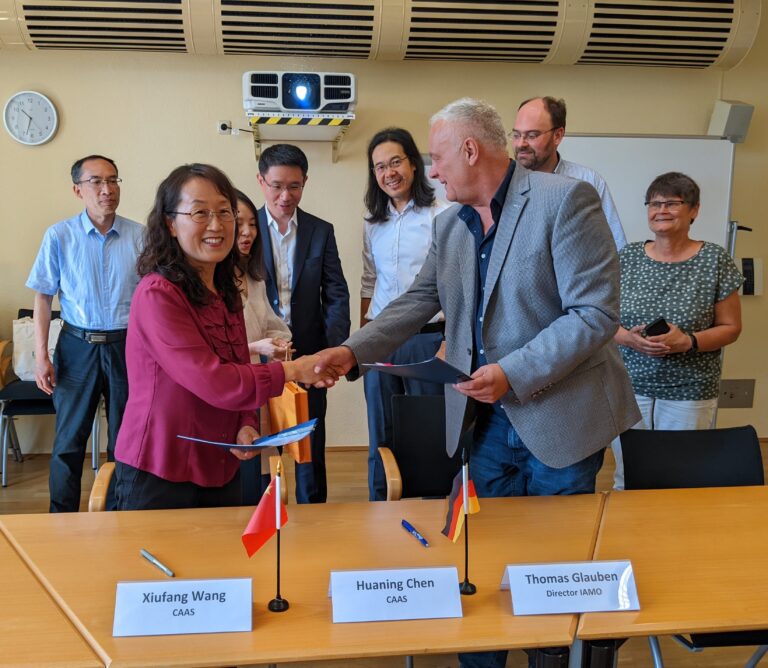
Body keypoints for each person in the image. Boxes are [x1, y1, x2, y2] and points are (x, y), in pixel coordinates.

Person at [313, 98, 640, 668]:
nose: (432, 172)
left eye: (436, 158)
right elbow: (418, 301)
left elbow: (593, 315)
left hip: (559, 420)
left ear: (469, 149)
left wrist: (513, 371)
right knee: (482, 560)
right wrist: (349, 350)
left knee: (552, 568)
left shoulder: (565, 201)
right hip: (483, 423)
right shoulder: (450, 225)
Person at [113, 163, 328, 511]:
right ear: (170, 223)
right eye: (200, 213)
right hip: (160, 465)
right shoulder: (158, 294)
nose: (216, 225)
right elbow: (214, 379)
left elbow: (238, 364)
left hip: (220, 461)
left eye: (224, 212)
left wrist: (245, 425)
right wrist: (295, 370)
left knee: (218, 564)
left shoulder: (226, 290)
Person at [26, 154, 144, 512]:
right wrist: (42, 356)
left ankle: (119, 513)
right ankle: (61, 519)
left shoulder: (140, 235)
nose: (107, 190)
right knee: (68, 442)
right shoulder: (59, 235)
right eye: (96, 182)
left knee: (126, 440)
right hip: (77, 347)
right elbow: (43, 297)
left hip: (127, 348)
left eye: (113, 181)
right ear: (78, 189)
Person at [611, 172, 743, 488]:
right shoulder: (628, 256)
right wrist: (628, 337)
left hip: (689, 390)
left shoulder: (714, 259)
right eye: (654, 203)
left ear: (694, 210)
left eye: (672, 203)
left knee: (683, 478)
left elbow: (731, 327)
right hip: (630, 387)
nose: (661, 210)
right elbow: (604, 319)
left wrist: (689, 341)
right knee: (629, 475)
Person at [256, 144, 351, 504]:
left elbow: (337, 293)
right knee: (266, 445)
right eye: (276, 185)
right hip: (260, 356)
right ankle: (268, 512)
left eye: (294, 186)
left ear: (305, 182)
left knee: (310, 442)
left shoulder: (320, 230)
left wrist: (333, 348)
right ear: (261, 182)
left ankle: (314, 516)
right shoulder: (244, 229)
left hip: (310, 354)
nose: (285, 196)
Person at [361, 127, 450, 501]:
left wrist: (450, 341)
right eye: (380, 166)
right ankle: (380, 504)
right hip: (381, 342)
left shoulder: (443, 215)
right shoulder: (372, 223)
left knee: (426, 431)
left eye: (395, 162)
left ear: (414, 164)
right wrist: (362, 343)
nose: (388, 172)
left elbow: (455, 287)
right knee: (380, 430)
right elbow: (369, 282)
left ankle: (428, 507)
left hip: (428, 339)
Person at [234, 188, 292, 503]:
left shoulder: (253, 276)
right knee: (240, 471)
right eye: (238, 223)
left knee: (263, 471)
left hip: (259, 383)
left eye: (252, 224)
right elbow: (211, 350)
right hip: (231, 387)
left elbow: (271, 322)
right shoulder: (208, 280)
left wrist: (280, 341)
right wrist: (259, 346)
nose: (247, 232)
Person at [512, 96, 627, 249]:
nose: (521, 144)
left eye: (532, 135)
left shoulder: (587, 181)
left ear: (557, 135)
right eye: (516, 135)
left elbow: (616, 245)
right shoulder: (505, 184)